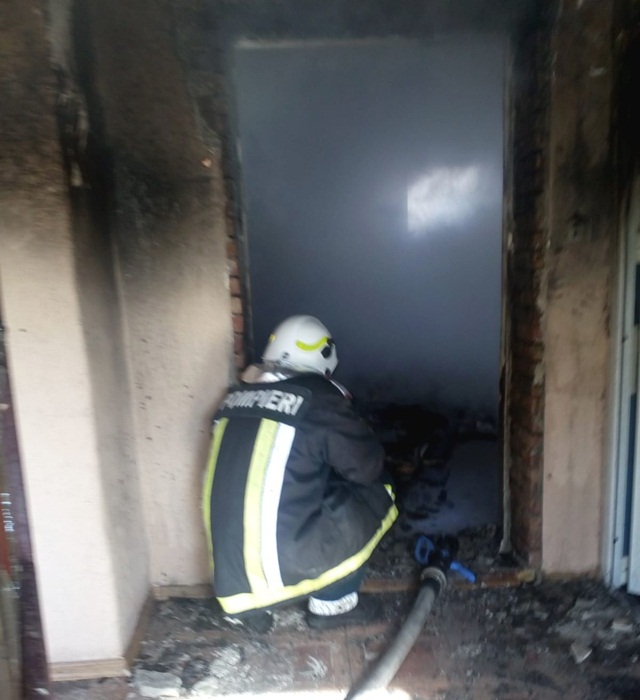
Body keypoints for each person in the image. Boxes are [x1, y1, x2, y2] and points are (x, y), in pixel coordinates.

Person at [202, 315, 398, 633]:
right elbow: (366, 467)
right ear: (323, 357)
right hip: (284, 558)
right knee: (379, 489)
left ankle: (248, 606)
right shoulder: (318, 399)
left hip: (231, 573)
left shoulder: (231, 400)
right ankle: (332, 603)